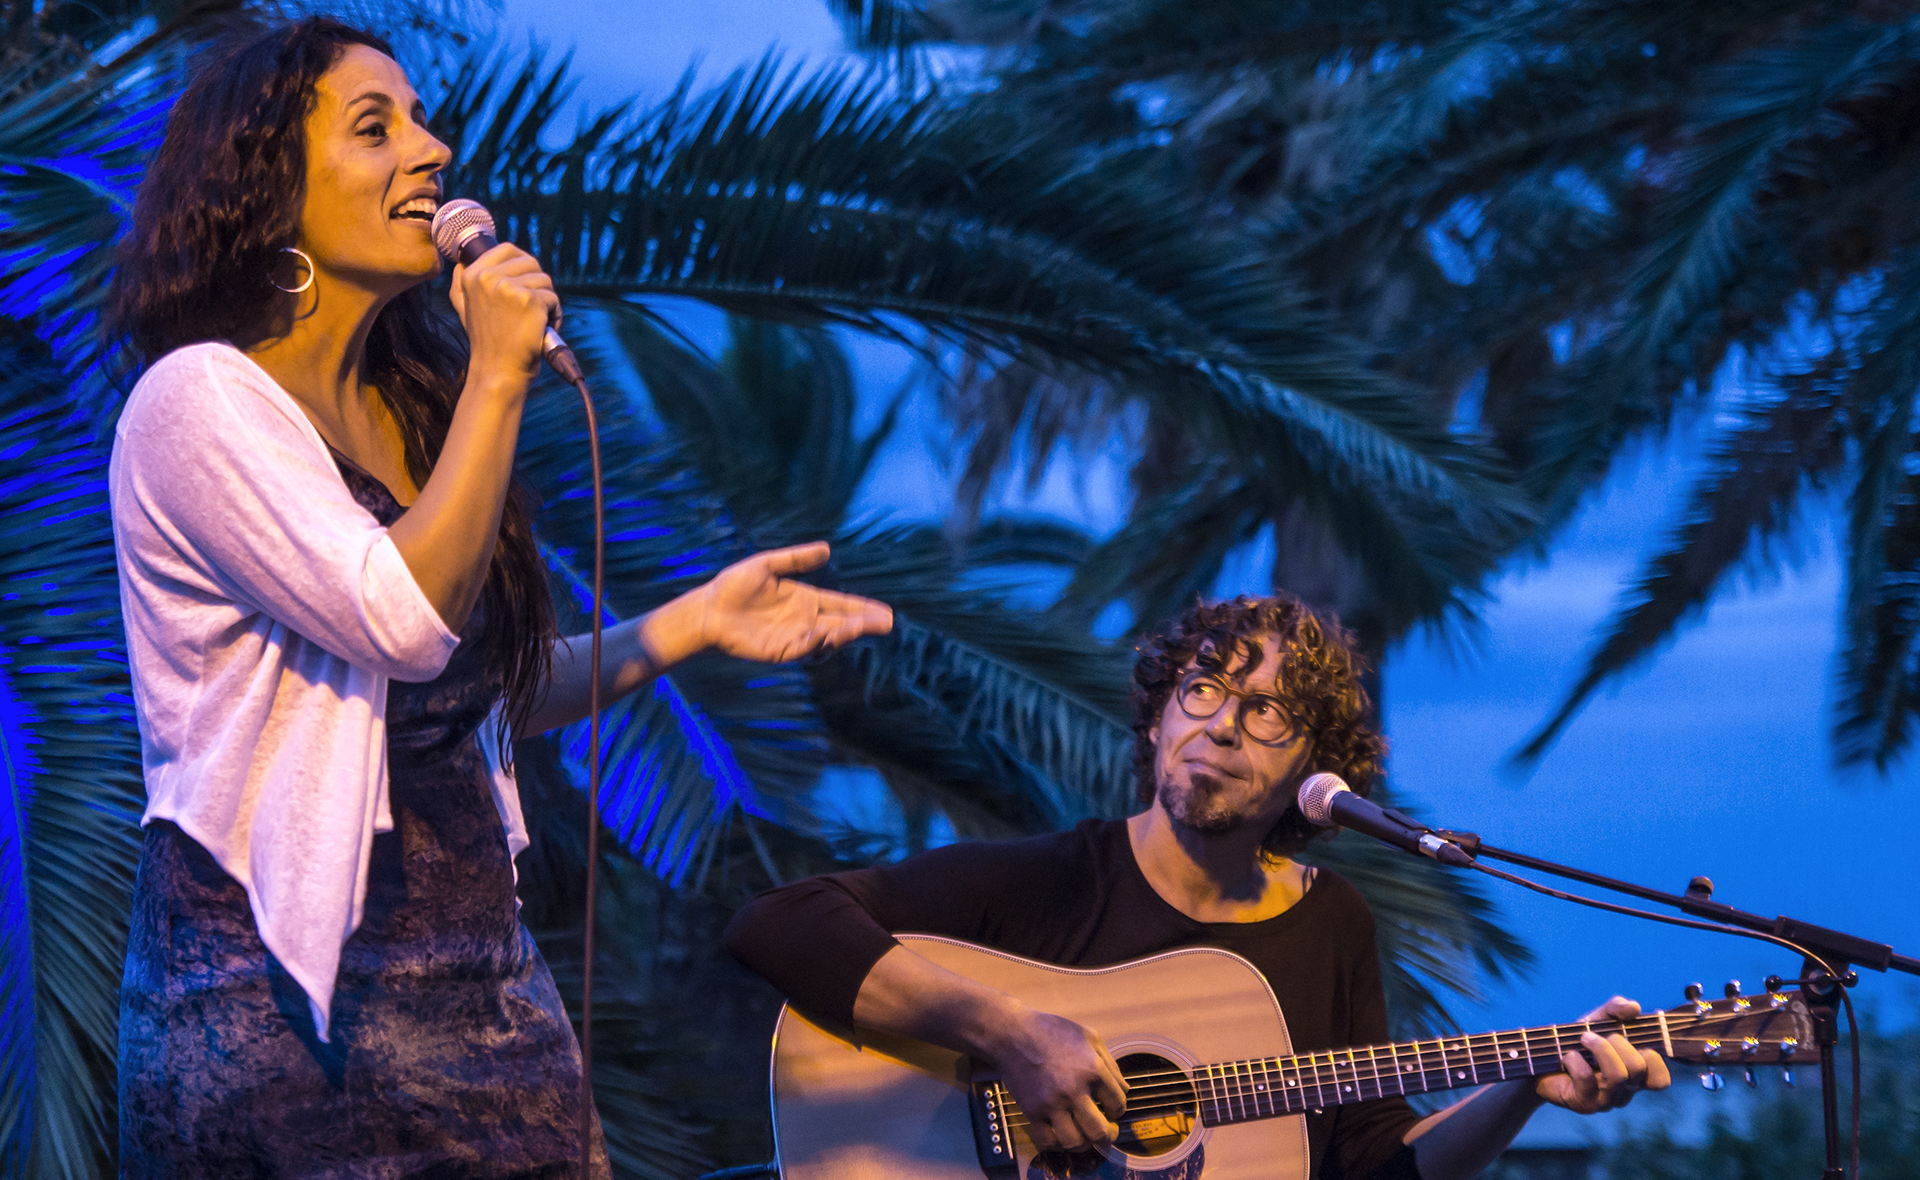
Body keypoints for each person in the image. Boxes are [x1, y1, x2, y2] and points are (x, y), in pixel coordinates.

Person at [105, 17, 892, 1177]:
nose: (431, 152)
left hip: (485, 1003)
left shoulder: (416, 412)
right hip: (286, 1025)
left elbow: (469, 695)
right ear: (269, 188)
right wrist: (499, 373)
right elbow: (402, 619)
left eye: (424, 121)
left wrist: (692, 622)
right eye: (379, 128)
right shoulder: (197, 403)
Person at [725, 593, 1669, 1180]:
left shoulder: (1329, 922)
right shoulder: (1055, 881)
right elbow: (779, 922)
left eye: (1267, 713)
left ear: (1316, 766)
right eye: (1204, 688)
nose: (1221, 724)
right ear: (1158, 716)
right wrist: (1006, 1031)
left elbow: (1370, 1165)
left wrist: (1525, 1089)